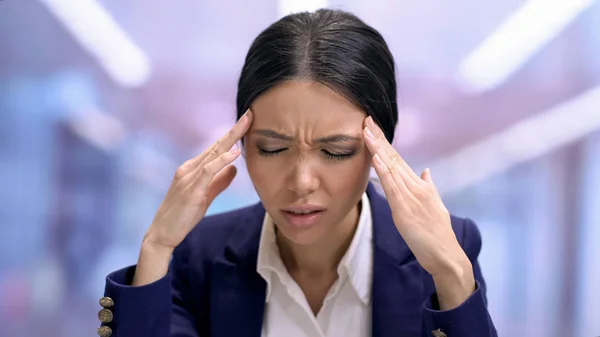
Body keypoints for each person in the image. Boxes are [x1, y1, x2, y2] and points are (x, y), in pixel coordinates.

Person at [97, 9, 497, 337]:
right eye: (273, 148)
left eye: (336, 151)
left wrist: (452, 274)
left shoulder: (446, 250)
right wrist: (157, 246)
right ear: (243, 142)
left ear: (382, 150)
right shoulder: (199, 254)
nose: (302, 182)